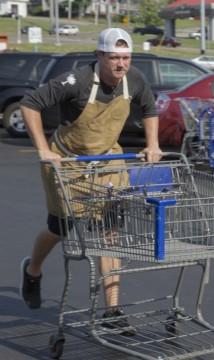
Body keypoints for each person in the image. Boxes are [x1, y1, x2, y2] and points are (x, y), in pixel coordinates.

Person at [19, 28, 162, 335]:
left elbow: (150, 108)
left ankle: (112, 310)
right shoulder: (77, 81)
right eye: (114, 58)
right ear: (99, 56)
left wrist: (152, 144)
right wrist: (43, 149)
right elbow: (29, 104)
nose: (121, 64)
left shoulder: (135, 79)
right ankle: (32, 270)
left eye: (125, 58)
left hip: (108, 161)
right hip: (69, 160)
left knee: (109, 232)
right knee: (61, 227)